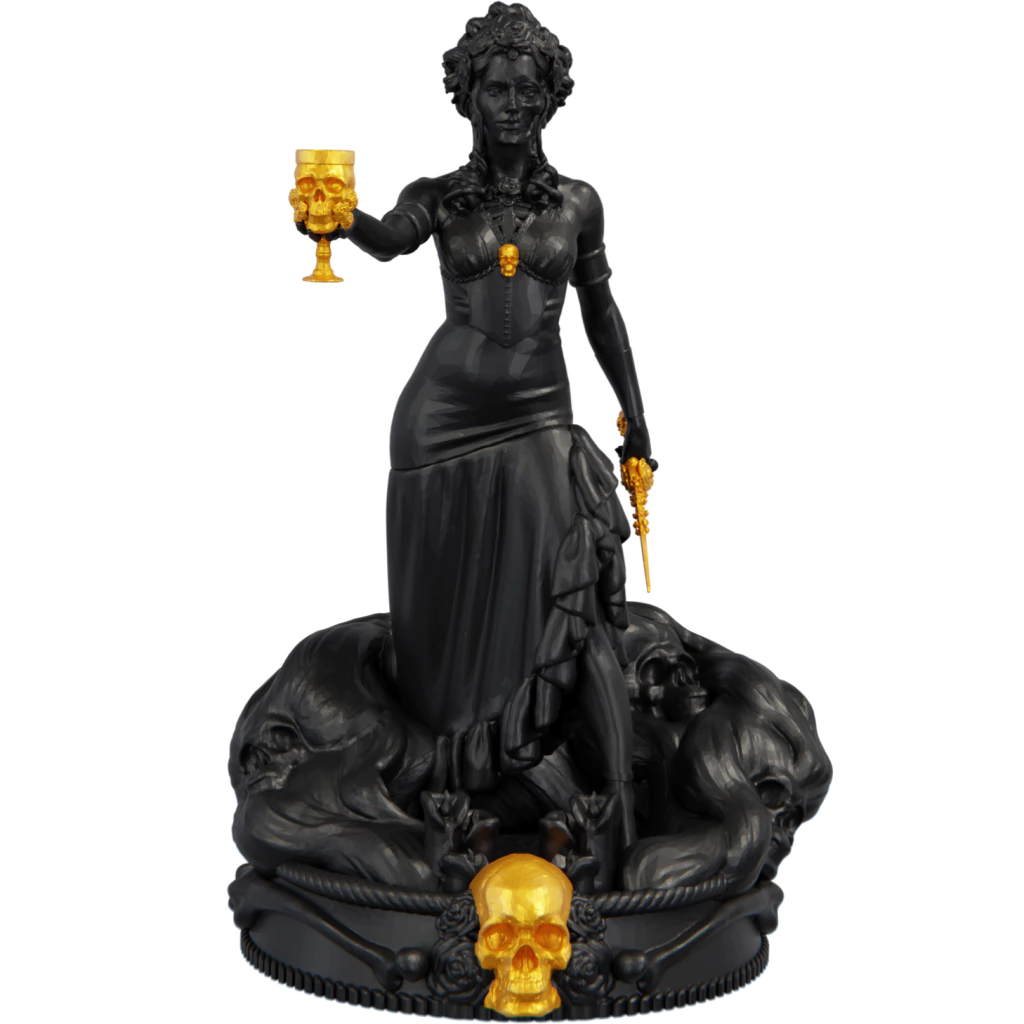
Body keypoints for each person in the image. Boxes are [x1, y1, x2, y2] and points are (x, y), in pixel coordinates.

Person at [298, 4, 654, 850]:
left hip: (540, 414)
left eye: (529, 89)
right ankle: (460, 791)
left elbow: (601, 310)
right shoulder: (439, 197)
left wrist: (636, 414)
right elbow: (388, 240)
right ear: (467, 96)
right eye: (496, 88)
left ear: (551, 97)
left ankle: (615, 805)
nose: (513, 105)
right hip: (440, 425)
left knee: (573, 602)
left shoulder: (579, 202)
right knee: (447, 618)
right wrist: (336, 218)